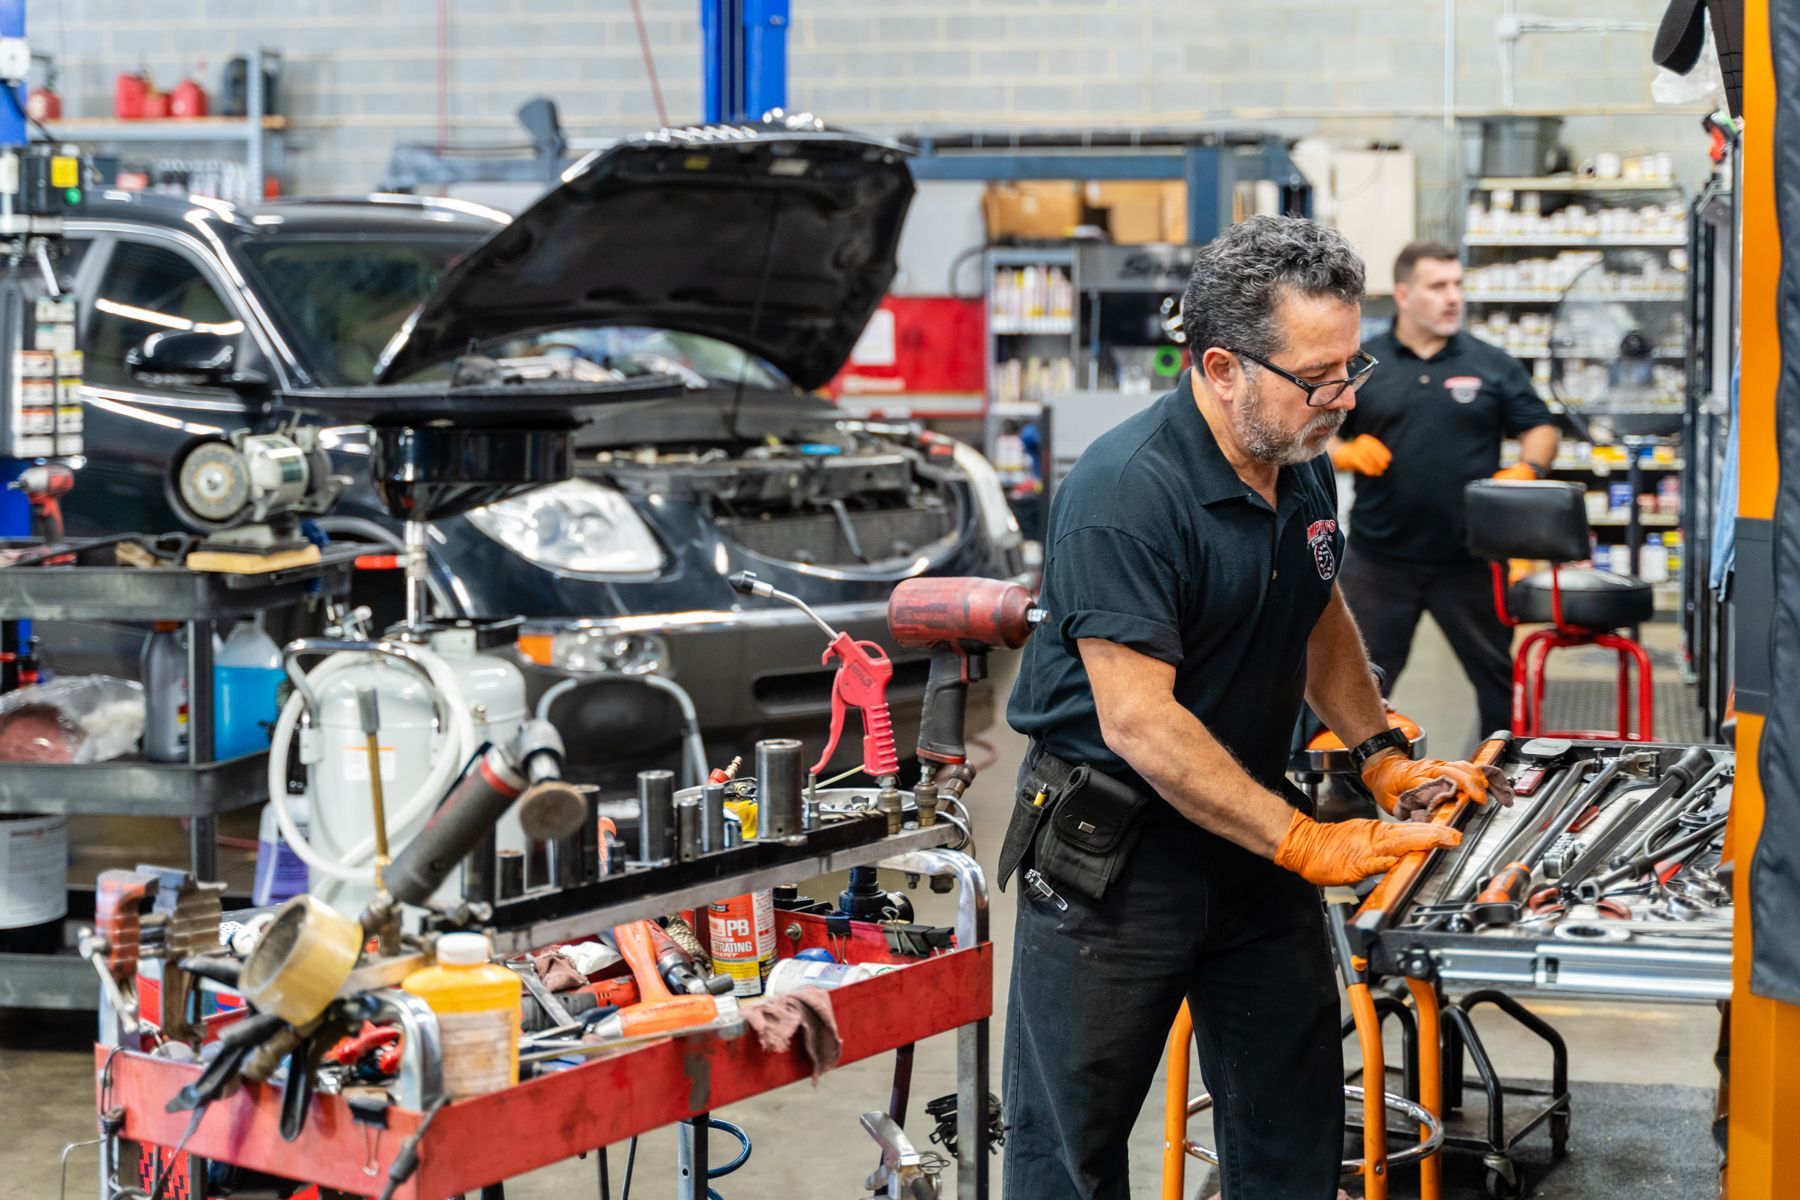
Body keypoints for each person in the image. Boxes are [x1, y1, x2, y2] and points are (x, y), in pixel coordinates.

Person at [999, 216, 1512, 1200]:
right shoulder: (1125, 493)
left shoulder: (1299, 451)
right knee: (1071, 1153)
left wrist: (1378, 755)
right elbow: (1141, 721)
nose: (1346, 395)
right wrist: (1310, 844)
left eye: (1349, 363)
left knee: (1291, 1124)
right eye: (1319, 374)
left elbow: (1316, 611)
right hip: (1117, 861)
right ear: (1223, 366)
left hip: (1250, 833)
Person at [1329, 241, 1562, 742]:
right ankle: (1350, 793)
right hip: (1379, 559)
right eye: (1439, 287)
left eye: (1458, 285)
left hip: (1473, 560)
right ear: (1404, 294)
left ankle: (1506, 778)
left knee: (1499, 682)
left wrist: (1529, 465)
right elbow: (1313, 420)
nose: (1453, 297)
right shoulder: (1363, 363)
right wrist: (1338, 449)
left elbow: (1540, 425)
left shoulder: (1491, 363)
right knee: (1352, 680)